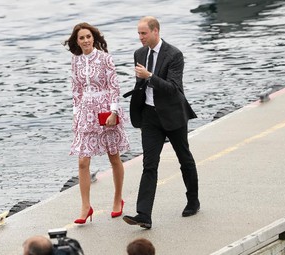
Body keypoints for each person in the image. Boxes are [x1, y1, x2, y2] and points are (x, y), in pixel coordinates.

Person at [122, 16, 199, 229]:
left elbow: (173, 88)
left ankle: (193, 200)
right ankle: (144, 214)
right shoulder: (139, 53)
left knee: (185, 158)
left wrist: (149, 76)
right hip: (150, 117)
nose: (140, 37)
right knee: (149, 164)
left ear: (156, 31)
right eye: (138, 33)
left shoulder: (174, 54)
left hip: (173, 114)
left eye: (143, 33)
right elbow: (141, 83)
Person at [63, 22, 130, 224]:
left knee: (113, 156)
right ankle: (85, 206)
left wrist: (113, 111)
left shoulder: (105, 58)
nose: (85, 40)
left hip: (105, 110)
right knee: (83, 160)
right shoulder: (75, 61)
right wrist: (76, 115)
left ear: (94, 38)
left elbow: (114, 87)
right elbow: (76, 90)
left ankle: (118, 199)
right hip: (85, 111)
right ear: (77, 41)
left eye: (88, 37)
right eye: (81, 38)